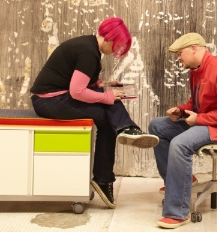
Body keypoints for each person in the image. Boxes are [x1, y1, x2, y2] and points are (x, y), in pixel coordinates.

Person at [30, 17, 159, 209]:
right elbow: (77, 91)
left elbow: (80, 82)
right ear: (108, 38)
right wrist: (107, 96)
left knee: (107, 109)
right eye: (117, 45)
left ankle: (120, 143)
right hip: (48, 100)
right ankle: (107, 171)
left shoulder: (88, 46)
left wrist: (105, 85)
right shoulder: (89, 52)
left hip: (55, 96)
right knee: (105, 116)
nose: (116, 51)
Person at [148, 33, 217, 229]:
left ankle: (178, 213)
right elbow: (197, 103)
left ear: (194, 48)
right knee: (157, 126)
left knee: (180, 144)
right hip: (207, 122)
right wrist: (181, 110)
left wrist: (200, 119)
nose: (178, 58)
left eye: (180, 53)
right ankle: (179, 182)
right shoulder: (197, 71)